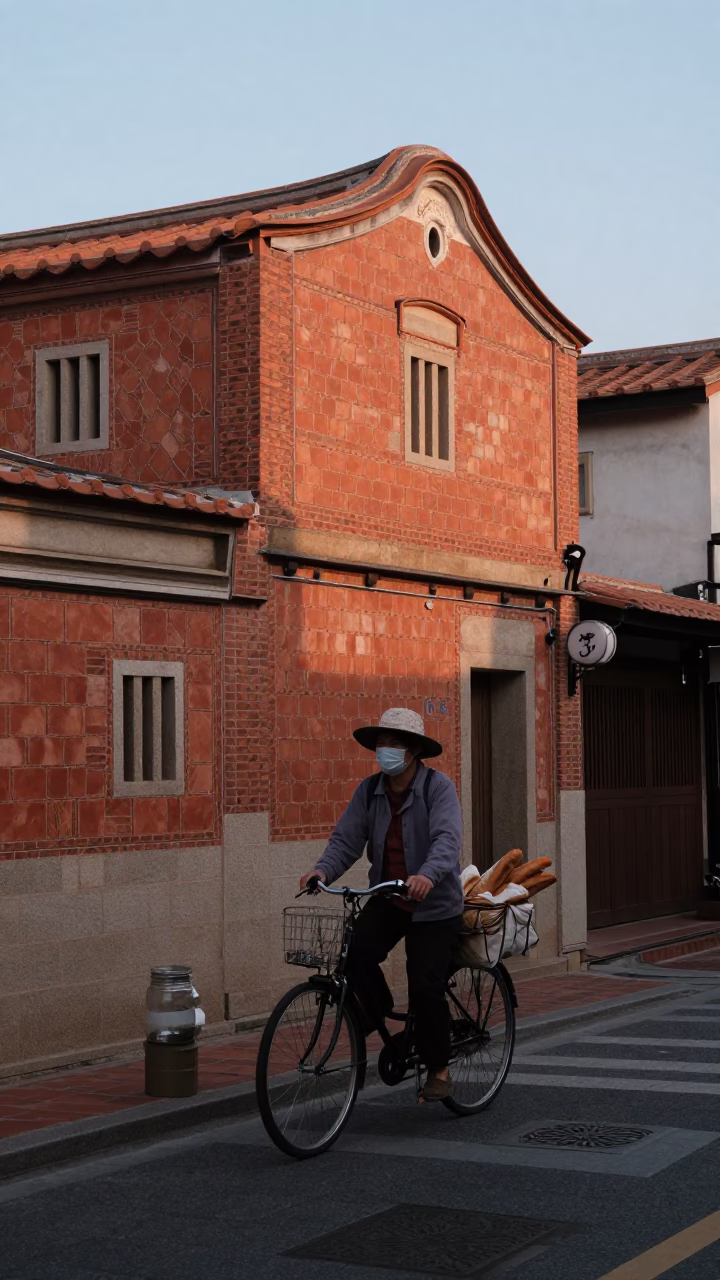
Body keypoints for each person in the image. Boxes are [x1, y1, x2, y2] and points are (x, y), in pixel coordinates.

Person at [299, 707, 463, 1102]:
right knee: (353, 953)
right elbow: (346, 840)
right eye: (381, 744)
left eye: (393, 743)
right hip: (389, 897)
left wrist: (427, 874)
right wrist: (322, 872)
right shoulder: (369, 791)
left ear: (412, 751)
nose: (384, 750)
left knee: (425, 986)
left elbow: (448, 839)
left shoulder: (438, 789)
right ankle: (380, 1010)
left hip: (434, 906)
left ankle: (439, 1068)